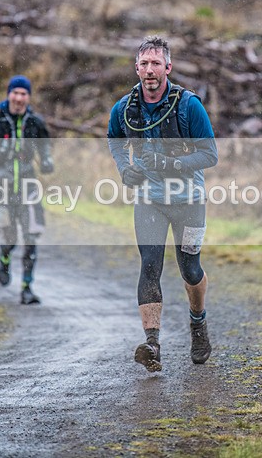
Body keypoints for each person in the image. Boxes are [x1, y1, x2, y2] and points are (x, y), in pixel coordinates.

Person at [107, 36, 219, 372]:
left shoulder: (188, 106)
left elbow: (210, 154)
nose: (150, 70)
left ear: (168, 68)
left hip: (189, 200)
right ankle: (152, 344)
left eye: (156, 63)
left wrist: (174, 164)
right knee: (150, 266)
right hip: (150, 200)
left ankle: (198, 323)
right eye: (144, 63)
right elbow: (114, 139)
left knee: (190, 270)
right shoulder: (124, 108)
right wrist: (124, 168)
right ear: (136, 68)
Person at [0, 75, 54, 305]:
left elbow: (44, 146)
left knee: (31, 238)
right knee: (9, 239)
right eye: (15, 93)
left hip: (28, 188)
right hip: (1, 190)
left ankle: (27, 288)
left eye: (23, 94)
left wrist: (46, 161)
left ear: (28, 97)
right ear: (9, 95)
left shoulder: (35, 123)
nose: (19, 98)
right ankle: (5, 256)